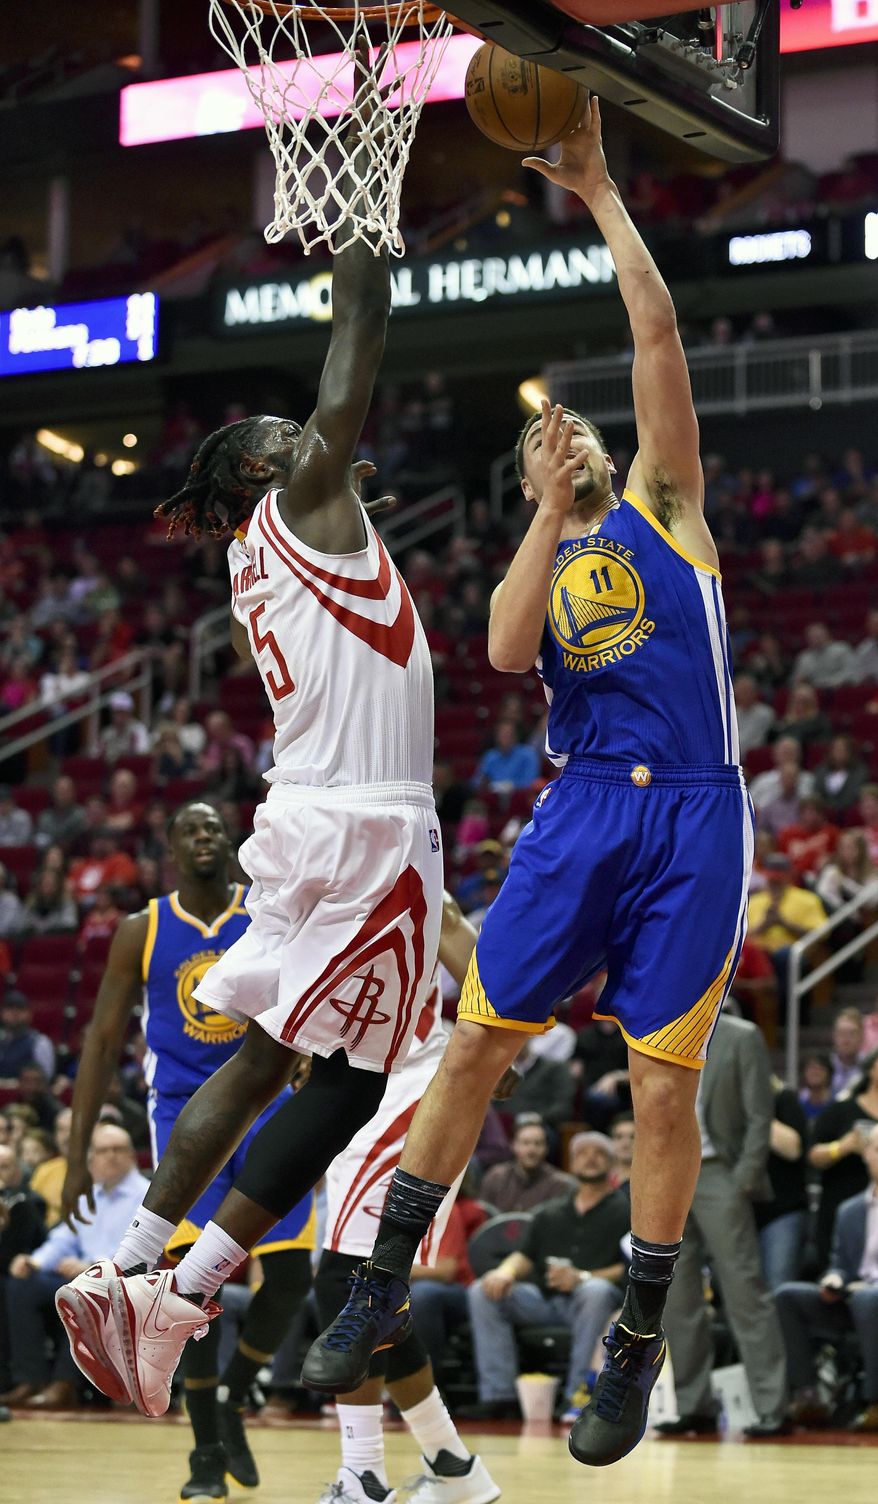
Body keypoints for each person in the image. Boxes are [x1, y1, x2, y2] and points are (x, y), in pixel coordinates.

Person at [306, 98, 755, 1472]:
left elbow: (655, 337)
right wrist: (541, 512)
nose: (566, 440)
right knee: (478, 1043)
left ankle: (632, 1338)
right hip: (579, 813)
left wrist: (603, 194)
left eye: (575, 442)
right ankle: (377, 1286)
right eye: (541, 449)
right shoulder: (551, 556)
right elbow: (504, 654)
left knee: (662, 1095)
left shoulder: (669, 510)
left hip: (688, 804)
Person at [56, 79, 443, 1435]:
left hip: (305, 817)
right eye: (288, 436)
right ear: (262, 470)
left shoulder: (261, 558)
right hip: (369, 828)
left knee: (269, 1056)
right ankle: (191, 1291)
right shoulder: (300, 501)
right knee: (342, 1078)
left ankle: (125, 1262)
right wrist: (360, 207)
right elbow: (363, 331)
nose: (314, 434)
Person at [60, 802, 316, 1502]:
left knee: (290, 1277)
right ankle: (205, 1453)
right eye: (191, 829)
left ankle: (233, 1397)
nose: (206, 837)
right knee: (184, 1291)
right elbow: (103, 1044)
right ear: (169, 847)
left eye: (215, 828)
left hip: (269, 1107)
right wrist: (78, 1153)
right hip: (181, 1121)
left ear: (232, 845)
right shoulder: (142, 930)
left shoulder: (265, 913)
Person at [315, 892, 501, 1504]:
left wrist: (494, 1048)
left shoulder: (401, 862)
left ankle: (362, 1475)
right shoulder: (317, 865)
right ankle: (454, 1467)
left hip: (409, 1087)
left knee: (349, 1285)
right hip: (355, 1090)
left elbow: (477, 961)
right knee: (375, 1294)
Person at [654, 1012, 788, 1438]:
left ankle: (771, 1406)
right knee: (677, 1296)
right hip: (667, 1170)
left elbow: (759, 1114)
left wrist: (742, 1180)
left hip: (718, 1173)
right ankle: (693, 1405)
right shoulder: (660, 1024)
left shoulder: (742, 1035)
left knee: (744, 1290)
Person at [463, 1132, 629, 1427]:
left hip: (594, 1304)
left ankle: (578, 1395)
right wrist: (505, 1272)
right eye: (582, 1153)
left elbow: (629, 1265)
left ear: (612, 1162)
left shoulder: (625, 1211)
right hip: (544, 1299)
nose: (590, 1158)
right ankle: (499, 1395)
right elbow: (524, 1257)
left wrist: (582, 1276)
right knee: (482, 1290)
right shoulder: (550, 1213)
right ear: (571, 1162)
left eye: (598, 1153)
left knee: (595, 1291)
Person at [3, 1123, 148, 1410]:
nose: (111, 1157)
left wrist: (91, 1266)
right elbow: (62, 1240)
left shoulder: (147, 1196)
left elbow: (141, 1251)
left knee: (84, 1292)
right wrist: (34, 1260)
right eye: (104, 1151)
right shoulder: (87, 1198)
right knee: (22, 1286)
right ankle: (31, 1380)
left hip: (125, 1280)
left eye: (118, 1150)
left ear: (132, 1156)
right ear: (91, 1159)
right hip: (79, 1275)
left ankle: (66, 1385)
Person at [776, 1123, 878, 1433]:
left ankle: (873, 1401)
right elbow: (840, 1264)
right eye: (876, 1149)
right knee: (787, 1295)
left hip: (869, 1297)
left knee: (867, 1297)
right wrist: (833, 1279)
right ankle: (808, 1395)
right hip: (852, 1298)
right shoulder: (850, 1210)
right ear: (866, 1155)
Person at [809, 1048, 878, 1267]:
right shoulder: (841, 1110)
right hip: (841, 1202)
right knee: (836, 1273)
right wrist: (843, 1147)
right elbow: (812, 1156)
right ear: (871, 1069)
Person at [755, 1078, 809, 1291]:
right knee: (745, 1288)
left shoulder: (783, 1099)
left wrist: (754, 1108)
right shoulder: (725, 1109)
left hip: (783, 1210)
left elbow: (793, 1149)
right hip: (742, 1210)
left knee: (779, 1286)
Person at [479, 1116, 575, 1213]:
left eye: (538, 1143)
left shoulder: (560, 1185)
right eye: (525, 1143)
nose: (531, 1150)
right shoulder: (495, 1178)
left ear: (546, 1148)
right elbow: (482, 1218)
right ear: (514, 1146)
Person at [0, 990, 56, 1081]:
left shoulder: (40, 1042)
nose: (15, 1013)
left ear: (30, 1014)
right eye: (10, 1008)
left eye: (20, 1008)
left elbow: (45, 1080)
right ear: (2, 1013)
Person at [829, 1007, 865, 1098]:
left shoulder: (870, 1070)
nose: (846, 1040)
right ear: (834, 1036)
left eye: (852, 1033)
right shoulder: (824, 1068)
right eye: (841, 1033)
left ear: (862, 1037)